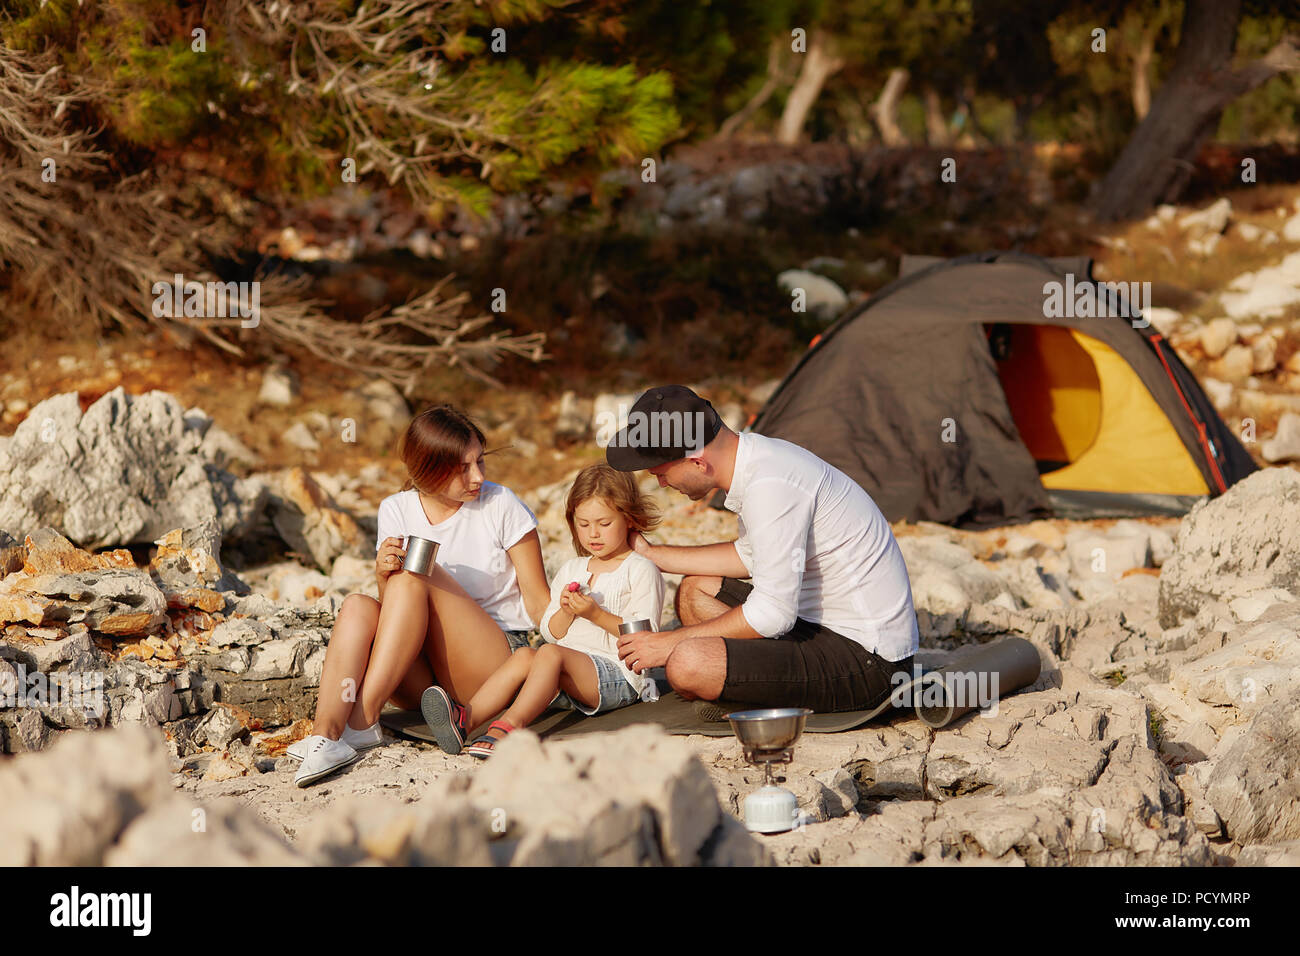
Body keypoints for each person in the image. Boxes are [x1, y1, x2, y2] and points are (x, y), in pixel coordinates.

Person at [605, 385, 918, 714]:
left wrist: (671, 643)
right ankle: (749, 684)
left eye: (663, 474)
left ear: (697, 462)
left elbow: (773, 614)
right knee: (695, 590)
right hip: (814, 626)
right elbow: (750, 556)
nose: (663, 484)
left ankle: (743, 692)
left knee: (688, 663)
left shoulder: (771, 486)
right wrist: (653, 554)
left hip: (870, 661)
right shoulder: (755, 458)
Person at [291, 403, 550, 786]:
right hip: (422, 680)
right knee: (359, 605)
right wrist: (382, 574)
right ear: (428, 468)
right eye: (463, 468)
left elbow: (537, 599)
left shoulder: (501, 504)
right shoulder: (396, 508)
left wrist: (576, 652)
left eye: (480, 462)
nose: (477, 476)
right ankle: (325, 736)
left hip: (492, 668)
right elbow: (396, 603)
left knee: (416, 574)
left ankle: (361, 722)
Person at [420, 463, 664, 757]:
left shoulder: (640, 569)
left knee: (549, 653)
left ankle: (508, 726)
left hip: (619, 677)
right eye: (583, 524)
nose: (593, 534)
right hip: (568, 676)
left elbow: (646, 638)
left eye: (604, 523)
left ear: (628, 519)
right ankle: (464, 718)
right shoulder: (573, 568)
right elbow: (550, 631)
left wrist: (595, 615)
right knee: (526, 655)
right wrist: (566, 611)